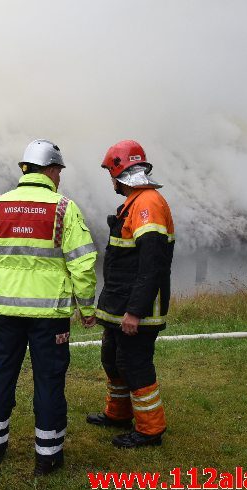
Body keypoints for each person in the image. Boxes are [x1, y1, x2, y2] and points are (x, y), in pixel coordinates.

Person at [0, 139, 97, 475]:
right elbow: (82, 263)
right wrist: (87, 307)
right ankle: (47, 456)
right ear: (51, 170)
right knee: (49, 382)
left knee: (1, 375)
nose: (60, 177)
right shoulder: (64, 208)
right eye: (59, 171)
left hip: (5, 313)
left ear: (25, 169)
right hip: (50, 316)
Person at [86, 139, 175, 448]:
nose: (109, 180)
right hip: (119, 303)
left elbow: (152, 264)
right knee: (113, 359)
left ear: (118, 171)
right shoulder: (134, 203)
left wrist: (135, 311)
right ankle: (118, 414)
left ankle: (150, 430)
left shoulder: (147, 204)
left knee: (135, 365)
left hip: (137, 307)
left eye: (110, 173)